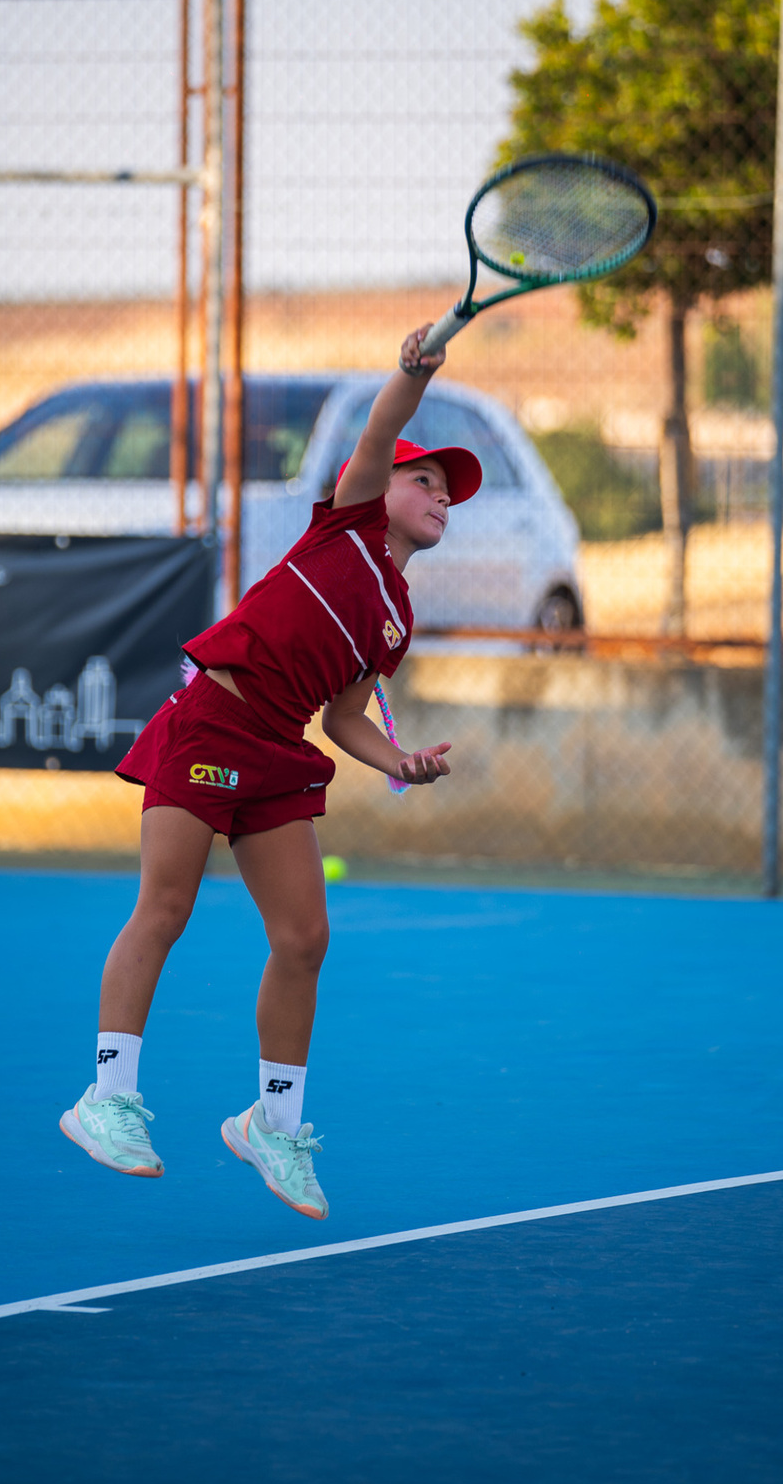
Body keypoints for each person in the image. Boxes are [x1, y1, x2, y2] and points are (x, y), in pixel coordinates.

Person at [60, 325, 482, 1220]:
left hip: (279, 750)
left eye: (450, 493)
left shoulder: (397, 619)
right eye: (426, 480)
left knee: (305, 937)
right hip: (214, 718)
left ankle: (273, 1127)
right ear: (385, 487)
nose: (440, 497)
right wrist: (411, 374)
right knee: (164, 907)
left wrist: (398, 761)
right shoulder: (349, 521)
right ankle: (106, 1097)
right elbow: (379, 430)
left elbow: (341, 718)